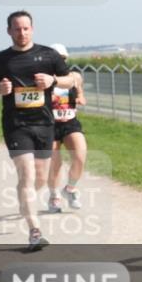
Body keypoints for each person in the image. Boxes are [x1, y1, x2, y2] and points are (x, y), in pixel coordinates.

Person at [0, 11, 75, 250]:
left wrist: (53, 81)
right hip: (16, 125)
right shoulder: (0, 60)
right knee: (26, 175)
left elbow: (71, 80)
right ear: (9, 31)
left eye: (25, 28)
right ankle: (35, 231)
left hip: (44, 123)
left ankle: (26, 201)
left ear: (32, 29)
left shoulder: (48, 55)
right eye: (16, 29)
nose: (21, 33)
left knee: (40, 178)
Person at [45, 43, 88, 213]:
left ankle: (70, 189)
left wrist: (81, 99)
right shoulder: (44, 79)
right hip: (49, 124)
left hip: (70, 122)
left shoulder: (74, 77)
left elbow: (81, 94)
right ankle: (54, 196)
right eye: (55, 59)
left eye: (62, 59)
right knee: (55, 162)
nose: (59, 62)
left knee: (80, 153)